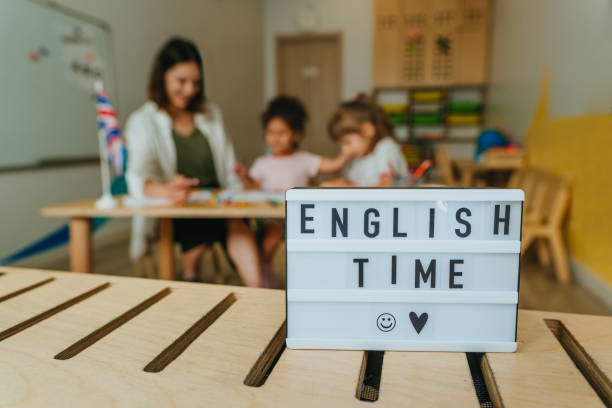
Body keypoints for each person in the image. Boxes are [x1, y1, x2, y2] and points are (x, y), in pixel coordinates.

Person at [125, 37, 262, 286]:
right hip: (178, 206)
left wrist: (243, 183)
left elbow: (229, 169)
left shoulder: (211, 113)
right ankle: (191, 280)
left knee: (237, 220)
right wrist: (166, 190)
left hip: (218, 201)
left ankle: (262, 293)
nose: (190, 90)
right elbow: (137, 178)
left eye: (196, 83)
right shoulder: (142, 121)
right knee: (197, 225)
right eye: (181, 81)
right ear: (162, 76)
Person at [235, 96, 353, 284]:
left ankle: (317, 278)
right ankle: (265, 274)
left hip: (302, 217)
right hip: (271, 217)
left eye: (282, 132)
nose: (275, 137)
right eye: (270, 132)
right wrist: (244, 177)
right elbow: (253, 189)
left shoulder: (304, 159)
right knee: (270, 237)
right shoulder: (262, 163)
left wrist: (348, 152)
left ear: (296, 134)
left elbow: (334, 165)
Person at [323, 96, 411, 187]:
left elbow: (385, 187)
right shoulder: (359, 158)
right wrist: (343, 184)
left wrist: (346, 188)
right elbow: (356, 184)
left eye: (347, 142)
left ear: (367, 130)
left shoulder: (385, 147)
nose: (344, 150)